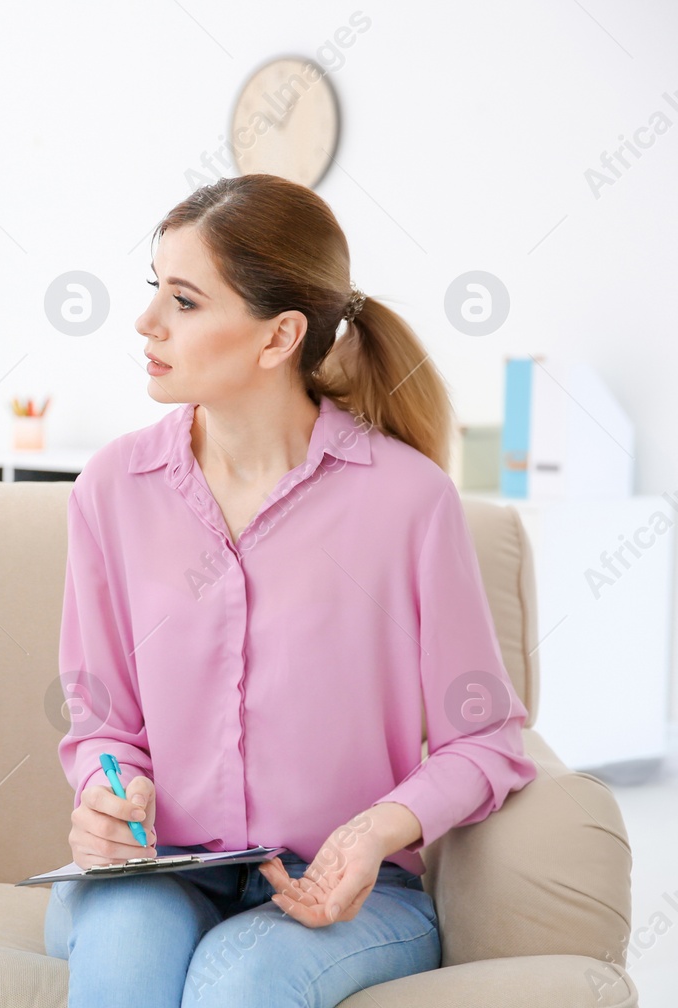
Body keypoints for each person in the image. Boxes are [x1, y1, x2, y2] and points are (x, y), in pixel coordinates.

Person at [42, 173, 538, 1007]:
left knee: (239, 985)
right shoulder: (112, 488)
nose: (147, 322)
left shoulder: (408, 501)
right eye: (153, 288)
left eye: (186, 301)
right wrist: (103, 787)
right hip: (161, 872)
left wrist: (376, 832)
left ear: (280, 338)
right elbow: (102, 722)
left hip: (350, 886)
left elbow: (485, 743)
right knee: (125, 953)